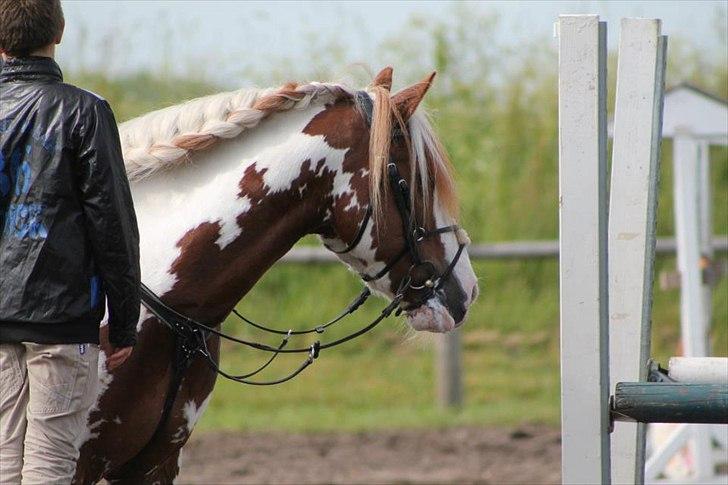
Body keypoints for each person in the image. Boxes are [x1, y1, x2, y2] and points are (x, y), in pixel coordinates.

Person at [0, 1, 141, 483]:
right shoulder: (86, 111)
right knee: (51, 463)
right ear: (59, 30)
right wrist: (124, 323)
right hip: (62, 322)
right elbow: (113, 224)